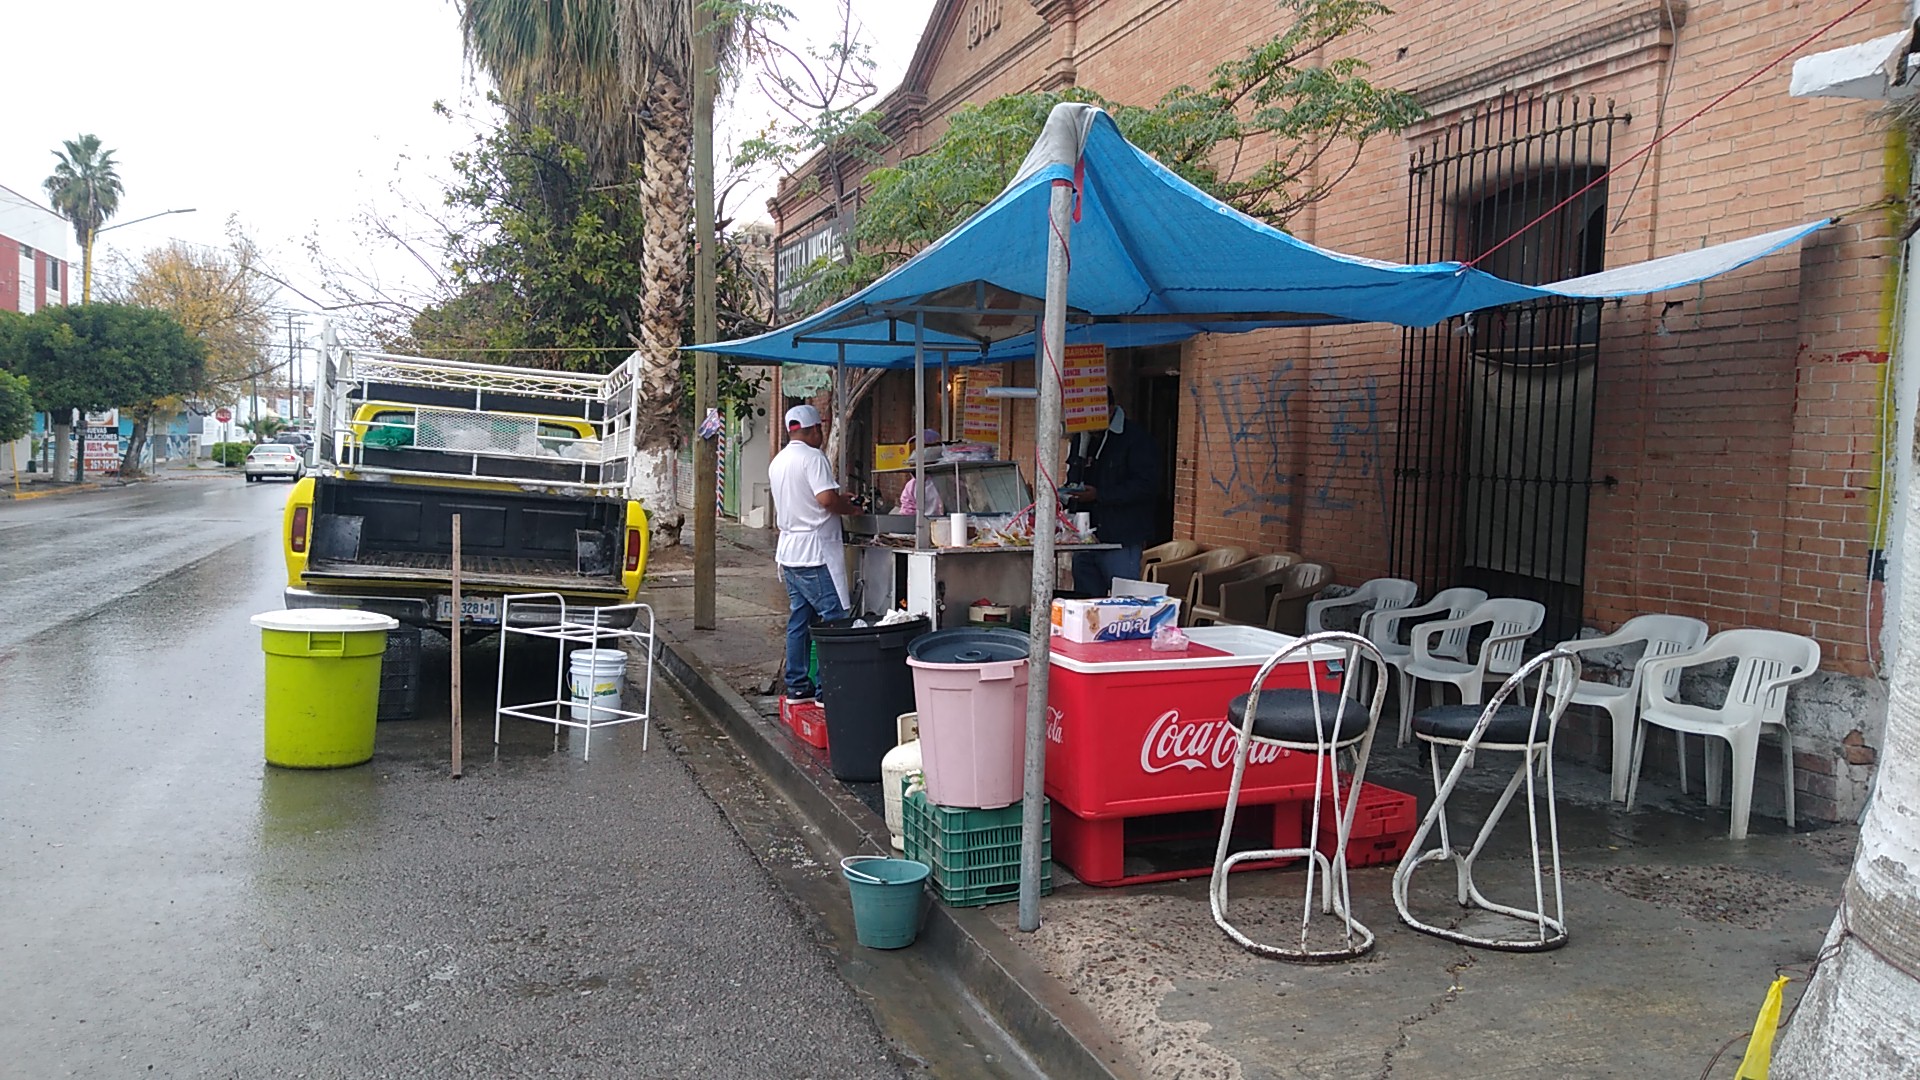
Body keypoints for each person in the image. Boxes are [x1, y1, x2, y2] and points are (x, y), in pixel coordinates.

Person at [769, 404, 860, 702]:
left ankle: (797, 685)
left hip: (789, 553)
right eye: (820, 428)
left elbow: (807, 498)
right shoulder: (813, 457)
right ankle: (826, 690)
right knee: (833, 619)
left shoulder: (778, 461)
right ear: (815, 430)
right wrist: (849, 507)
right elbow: (825, 500)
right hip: (814, 553)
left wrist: (837, 498)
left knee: (800, 619)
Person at [1064, 390, 1161, 598]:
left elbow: (1146, 486)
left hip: (1121, 537)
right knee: (1086, 602)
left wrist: (1100, 495)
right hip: (1085, 537)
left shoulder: (1135, 438)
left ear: (1109, 409)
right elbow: (1073, 475)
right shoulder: (1081, 438)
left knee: (1124, 601)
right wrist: (1066, 495)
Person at [892, 429, 945, 517]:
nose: (916, 451)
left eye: (921, 447)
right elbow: (907, 511)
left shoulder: (949, 479)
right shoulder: (912, 485)